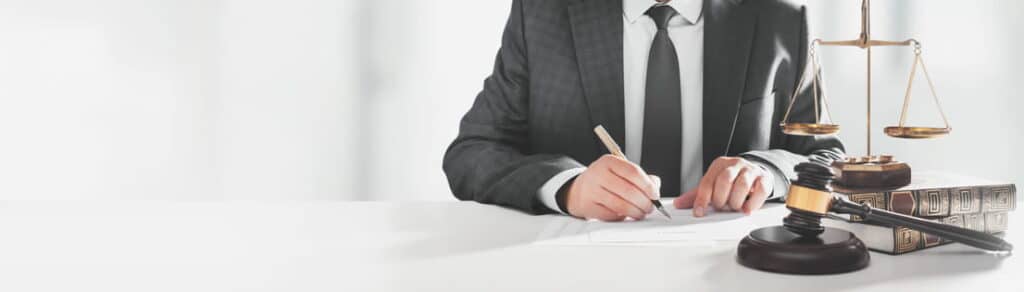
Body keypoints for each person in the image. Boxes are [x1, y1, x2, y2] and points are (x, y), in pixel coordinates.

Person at [443, 0, 843, 221]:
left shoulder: (780, 20)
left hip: (730, 273)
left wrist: (764, 172)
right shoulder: (544, 13)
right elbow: (471, 153)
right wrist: (567, 187)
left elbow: (828, 158)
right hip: (576, 272)